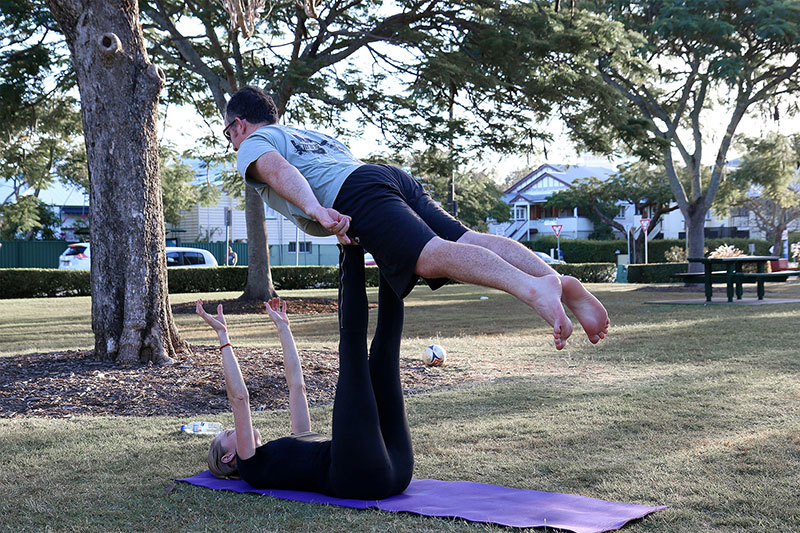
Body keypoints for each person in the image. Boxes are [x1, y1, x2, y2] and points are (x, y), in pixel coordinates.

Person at [224, 86, 609, 350]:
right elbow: (332, 173)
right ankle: (554, 279)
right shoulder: (308, 135)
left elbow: (278, 172)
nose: (232, 141)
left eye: (229, 133)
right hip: (385, 176)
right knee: (466, 239)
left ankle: (533, 287)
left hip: (356, 191)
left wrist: (317, 210)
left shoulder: (255, 142)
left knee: (430, 256)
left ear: (240, 123)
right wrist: (339, 219)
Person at [196, 245, 413, 499]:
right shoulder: (251, 466)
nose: (236, 429)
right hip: (359, 476)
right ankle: (351, 246)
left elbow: (296, 386)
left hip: (395, 471)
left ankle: (387, 244)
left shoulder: (295, 442)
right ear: (229, 456)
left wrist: (283, 328)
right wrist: (223, 338)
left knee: (383, 357)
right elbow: (239, 400)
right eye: (230, 433)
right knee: (355, 351)